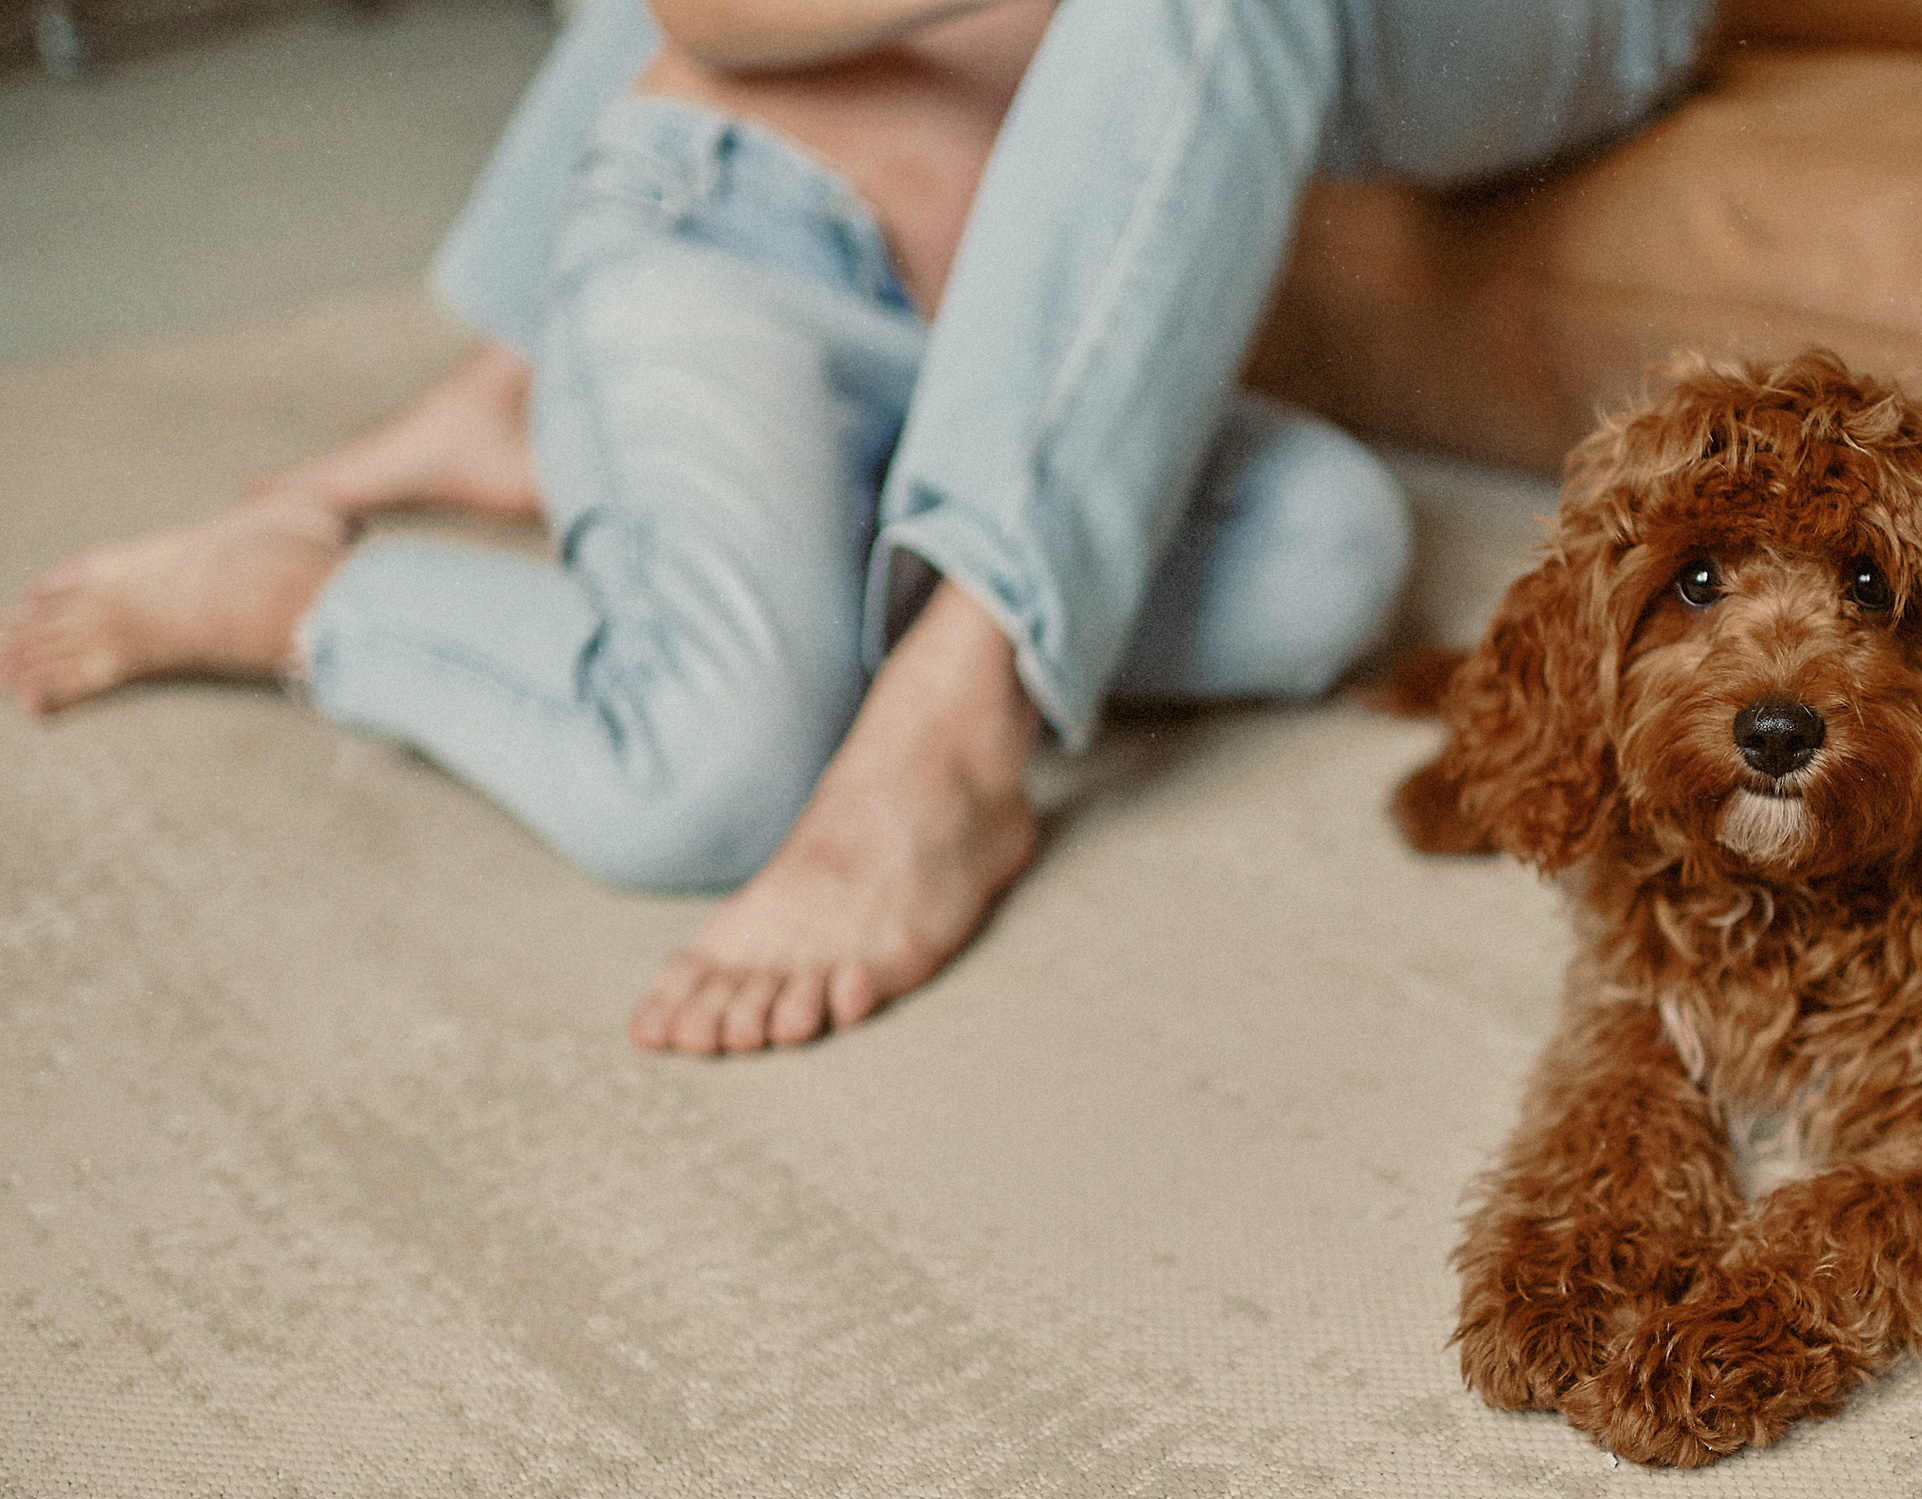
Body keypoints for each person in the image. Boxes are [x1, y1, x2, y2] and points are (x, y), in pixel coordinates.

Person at [0, 0, 1714, 1056]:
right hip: (747, 231)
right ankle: (306, 595)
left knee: (1326, 556)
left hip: (985, 362)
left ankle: (670, 477)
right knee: (704, 778)